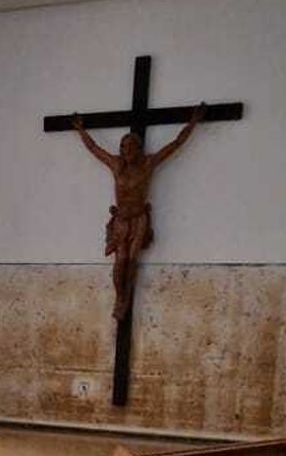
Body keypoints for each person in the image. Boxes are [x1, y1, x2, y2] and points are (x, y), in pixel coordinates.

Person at [70, 105, 204, 320]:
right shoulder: (116, 165)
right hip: (121, 219)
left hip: (140, 217)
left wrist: (193, 122)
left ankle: (127, 296)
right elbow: (94, 149)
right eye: (124, 147)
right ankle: (119, 296)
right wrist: (81, 130)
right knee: (120, 259)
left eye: (132, 146)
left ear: (139, 148)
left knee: (132, 259)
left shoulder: (148, 164)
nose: (128, 151)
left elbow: (175, 144)